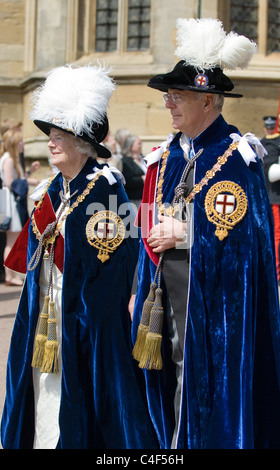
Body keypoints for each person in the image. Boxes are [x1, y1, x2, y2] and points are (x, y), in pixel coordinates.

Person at [131, 18, 280, 449]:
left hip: (215, 311)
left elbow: (249, 245)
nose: (169, 105)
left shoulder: (238, 157)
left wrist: (190, 230)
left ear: (209, 100)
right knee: (166, 392)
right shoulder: (165, 156)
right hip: (160, 306)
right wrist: (138, 287)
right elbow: (144, 220)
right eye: (168, 96)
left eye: (178, 97)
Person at [1, 63, 159, 449]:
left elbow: (118, 267)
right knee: (40, 392)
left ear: (82, 141)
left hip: (87, 323)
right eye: (50, 135)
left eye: (59, 136)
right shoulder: (55, 187)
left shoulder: (105, 188)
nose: (50, 142)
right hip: (45, 315)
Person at [0, 129, 29, 286]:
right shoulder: (9, 159)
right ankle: (9, 275)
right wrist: (29, 182)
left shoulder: (10, 158)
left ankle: (11, 275)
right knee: (11, 240)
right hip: (10, 201)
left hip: (10, 200)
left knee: (11, 240)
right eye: (19, 141)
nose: (22, 144)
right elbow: (11, 183)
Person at [261, 116, 280, 282]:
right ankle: (277, 271)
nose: (269, 128)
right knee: (277, 235)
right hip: (274, 196)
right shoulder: (263, 143)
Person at [121, 135, 147, 209]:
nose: (141, 146)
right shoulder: (126, 161)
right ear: (131, 146)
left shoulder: (142, 158)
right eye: (139, 144)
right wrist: (142, 179)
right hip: (134, 200)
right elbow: (127, 180)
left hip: (145, 197)